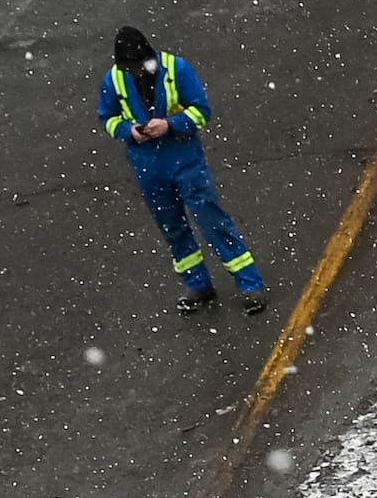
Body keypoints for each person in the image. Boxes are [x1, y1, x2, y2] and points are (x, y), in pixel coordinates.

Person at [104, 27, 269, 316]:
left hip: (185, 161)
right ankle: (198, 285)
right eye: (129, 68)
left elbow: (201, 112)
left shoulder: (176, 69)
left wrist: (171, 125)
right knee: (173, 229)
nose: (135, 74)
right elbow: (107, 118)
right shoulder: (115, 79)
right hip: (148, 168)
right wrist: (128, 131)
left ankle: (250, 284)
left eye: (137, 67)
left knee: (212, 220)